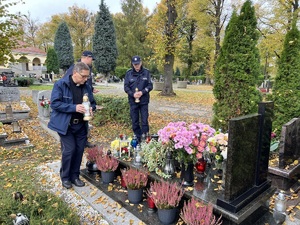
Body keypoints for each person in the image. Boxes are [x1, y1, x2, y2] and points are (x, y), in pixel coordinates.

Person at [48, 62, 96, 189]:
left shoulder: (86, 87)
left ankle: (75, 176)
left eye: (87, 77)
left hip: (81, 125)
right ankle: (65, 177)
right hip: (66, 125)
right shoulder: (61, 84)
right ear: (75, 73)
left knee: (79, 150)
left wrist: (91, 109)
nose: (86, 79)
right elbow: (55, 104)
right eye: (83, 76)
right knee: (69, 150)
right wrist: (74, 107)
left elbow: (93, 103)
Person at [124, 56, 153, 142]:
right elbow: (126, 87)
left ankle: (145, 137)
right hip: (133, 101)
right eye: (135, 64)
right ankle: (137, 137)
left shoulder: (146, 72)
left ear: (141, 62)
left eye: (138, 64)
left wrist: (142, 92)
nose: (136, 66)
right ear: (132, 64)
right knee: (135, 121)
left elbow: (150, 86)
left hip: (144, 100)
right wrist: (133, 94)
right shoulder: (128, 73)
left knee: (144, 120)